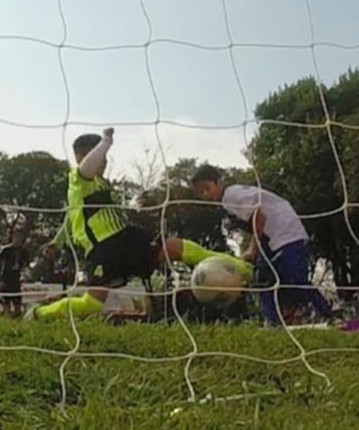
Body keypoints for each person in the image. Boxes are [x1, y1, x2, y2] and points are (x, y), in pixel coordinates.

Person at [25, 128, 251, 320]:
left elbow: (71, 217)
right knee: (92, 304)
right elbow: (85, 172)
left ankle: (247, 270)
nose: (104, 162)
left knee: (175, 246)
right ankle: (39, 314)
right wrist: (106, 142)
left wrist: (56, 240)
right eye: (100, 157)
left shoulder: (100, 184)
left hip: (126, 237)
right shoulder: (78, 179)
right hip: (104, 250)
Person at [190, 164, 333, 325]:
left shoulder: (231, 196)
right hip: (272, 239)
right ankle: (274, 321)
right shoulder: (228, 201)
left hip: (286, 235)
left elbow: (259, 217)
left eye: (206, 188)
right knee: (263, 280)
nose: (205, 195)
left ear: (218, 182)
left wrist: (252, 248)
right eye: (200, 193)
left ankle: (328, 315)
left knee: (295, 281)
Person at [0, 229, 30, 317]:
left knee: (17, 299)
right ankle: (6, 316)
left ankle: (18, 316)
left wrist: (25, 274)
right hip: (6, 276)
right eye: (16, 237)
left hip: (16, 277)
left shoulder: (23, 251)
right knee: (6, 299)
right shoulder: (6, 249)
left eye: (19, 238)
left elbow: (27, 264)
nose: (17, 239)